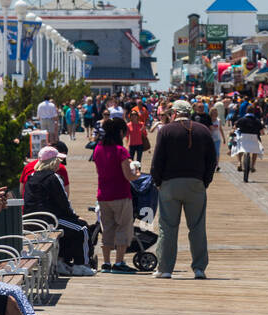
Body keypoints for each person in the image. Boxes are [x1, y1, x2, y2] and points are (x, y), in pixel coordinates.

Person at [149, 99, 216, 278]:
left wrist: (157, 181)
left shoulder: (166, 131)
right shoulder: (203, 130)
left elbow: (157, 160)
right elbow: (212, 160)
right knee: (197, 227)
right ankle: (199, 268)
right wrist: (205, 181)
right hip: (196, 183)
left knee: (168, 227)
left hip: (169, 184)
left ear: (175, 113)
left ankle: (164, 269)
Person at [22, 148, 95, 274]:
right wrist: (75, 217)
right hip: (49, 220)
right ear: (52, 162)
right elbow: (64, 203)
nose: (59, 163)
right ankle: (81, 264)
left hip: (31, 221)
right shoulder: (53, 178)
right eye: (58, 160)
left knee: (69, 228)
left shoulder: (31, 177)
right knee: (81, 229)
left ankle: (61, 262)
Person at [92, 118, 136, 273]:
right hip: (121, 194)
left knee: (108, 228)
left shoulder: (97, 148)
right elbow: (128, 176)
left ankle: (106, 263)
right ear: (120, 132)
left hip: (103, 195)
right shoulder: (121, 150)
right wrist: (136, 173)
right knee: (123, 227)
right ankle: (119, 263)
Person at [235, 106, 263, 178]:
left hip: (244, 138)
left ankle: (239, 162)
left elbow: (236, 127)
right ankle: (253, 166)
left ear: (246, 111)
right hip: (253, 139)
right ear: (253, 112)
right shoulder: (257, 120)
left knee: (238, 147)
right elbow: (262, 131)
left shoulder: (242, 119)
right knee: (255, 150)